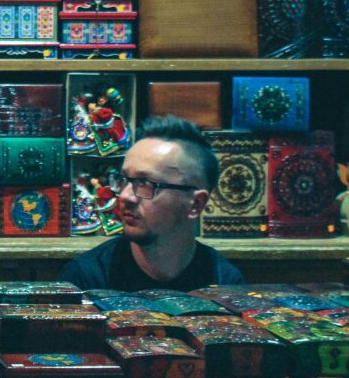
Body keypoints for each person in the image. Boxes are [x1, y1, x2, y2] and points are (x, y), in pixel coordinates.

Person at [60, 115, 245, 292]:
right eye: (124, 180)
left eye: (145, 184)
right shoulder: (85, 280)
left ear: (195, 204)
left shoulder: (225, 284)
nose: (125, 196)